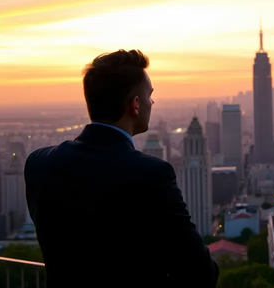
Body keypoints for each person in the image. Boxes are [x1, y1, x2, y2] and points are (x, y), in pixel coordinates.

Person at [25, 50, 219, 287]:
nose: (153, 102)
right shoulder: (151, 174)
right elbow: (199, 272)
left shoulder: (38, 164)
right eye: (150, 95)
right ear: (135, 105)